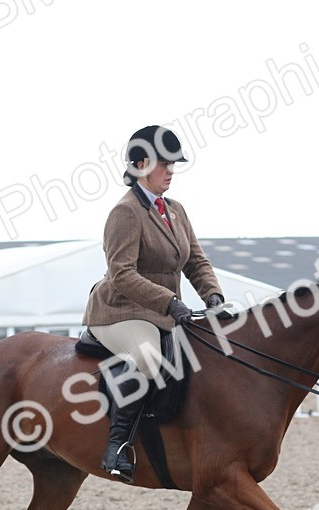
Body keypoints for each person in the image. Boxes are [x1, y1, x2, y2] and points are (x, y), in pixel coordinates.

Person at [83, 125, 226, 482]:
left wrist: (213, 295)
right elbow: (122, 274)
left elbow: (195, 260)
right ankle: (117, 446)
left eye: (174, 164)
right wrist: (170, 302)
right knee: (148, 358)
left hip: (160, 313)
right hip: (120, 311)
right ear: (141, 164)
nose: (171, 171)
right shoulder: (126, 213)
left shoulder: (175, 209)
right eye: (165, 164)